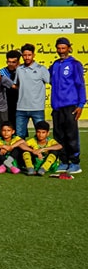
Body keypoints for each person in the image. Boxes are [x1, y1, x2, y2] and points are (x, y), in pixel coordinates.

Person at [48, 37, 85, 174]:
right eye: (59, 48)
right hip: (56, 107)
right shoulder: (55, 65)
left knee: (71, 135)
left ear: (69, 48)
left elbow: (80, 85)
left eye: (64, 48)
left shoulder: (75, 64)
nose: (61, 51)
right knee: (59, 135)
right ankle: (63, 161)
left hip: (70, 105)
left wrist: (81, 104)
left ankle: (75, 162)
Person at [15, 43, 50, 139]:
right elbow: (16, 85)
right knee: (19, 136)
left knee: (41, 136)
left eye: (29, 55)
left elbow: (52, 83)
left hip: (37, 108)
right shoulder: (19, 69)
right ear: (22, 55)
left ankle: (41, 154)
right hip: (21, 108)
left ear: (33, 55)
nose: (27, 57)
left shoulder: (42, 69)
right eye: (25, 55)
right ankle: (21, 154)